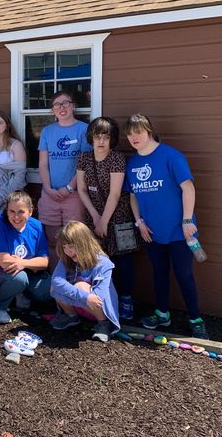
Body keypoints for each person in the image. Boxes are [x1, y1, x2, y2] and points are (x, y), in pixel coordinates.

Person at [124, 114, 208, 339]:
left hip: (180, 231)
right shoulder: (132, 163)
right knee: (159, 273)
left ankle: (195, 319)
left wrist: (188, 220)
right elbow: (132, 195)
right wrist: (139, 221)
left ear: (149, 131)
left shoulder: (170, 155)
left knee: (183, 274)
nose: (134, 138)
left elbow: (188, 188)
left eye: (138, 132)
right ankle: (162, 314)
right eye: (130, 134)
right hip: (152, 231)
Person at [76, 117, 136, 320]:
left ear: (112, 139)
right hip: (94, 213)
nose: (101, 141)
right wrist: (95, 216)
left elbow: (115, 193)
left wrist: (104, 220)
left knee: (124, 259)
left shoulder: (117, 158)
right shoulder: (84, 158)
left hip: (119, 217)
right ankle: (104, 299)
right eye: (97, 136)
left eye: (106, 137)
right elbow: (82, 189)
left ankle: (126, 299)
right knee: (98, 258)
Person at [38, 91, 91, 271]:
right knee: (53, 240)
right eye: (57, 105)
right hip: (50, 194)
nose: (62, 108)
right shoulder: (47, 131)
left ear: (73, 106)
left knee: (75, 241)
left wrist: (69, 187)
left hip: (74, 194)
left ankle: (77, 278)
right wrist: (48, 188)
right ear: (52, 110)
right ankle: (56, 282)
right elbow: (43, 164)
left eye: (66, 103)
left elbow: (83, 163)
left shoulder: (83, 129)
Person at [0, 191, 51, 324]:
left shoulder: (36, 226)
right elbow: (5, 263)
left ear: (30, 211)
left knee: (47, 291)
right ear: (6, 211)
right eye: (11, 211)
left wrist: (23, 263)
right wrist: (29, 263)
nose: (16, 216)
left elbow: (44, 261)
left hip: (24, 269)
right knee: (19, 278)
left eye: (21, 212)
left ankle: (19, 292)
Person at [49, 221, 121, 342]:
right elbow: (56, 281)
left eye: (71, 246)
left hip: (97, 307)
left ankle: (104, 323)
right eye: (64, 247)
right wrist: (83, 297)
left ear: (83, 243)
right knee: (55, 287)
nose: (67, 251)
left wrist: (82, 294)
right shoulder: (66, 259)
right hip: (81, 302)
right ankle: (72, 317)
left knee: (80, 286)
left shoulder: (103, 263)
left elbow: (99, 296)